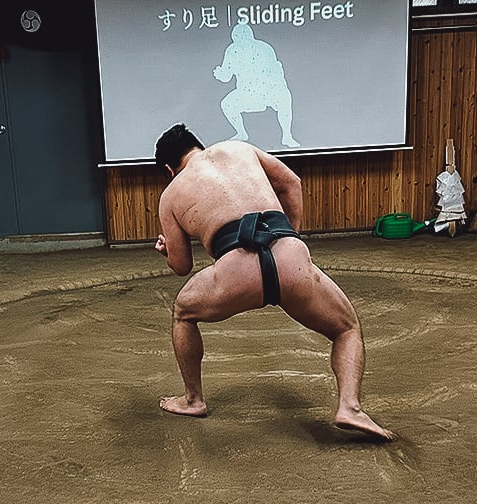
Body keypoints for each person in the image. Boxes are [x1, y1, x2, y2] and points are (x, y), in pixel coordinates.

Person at [153, 123, 394, 440]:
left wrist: (166, 250)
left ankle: (193, 399)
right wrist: (290, 239)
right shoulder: (239, 148)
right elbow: (291, 182)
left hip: (235, 272)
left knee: (183, 312)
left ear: (169, 169)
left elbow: (182, 265)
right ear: (199, 145)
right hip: (290, 256)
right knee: (347, 329)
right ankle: (350, 406)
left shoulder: (171, 194)